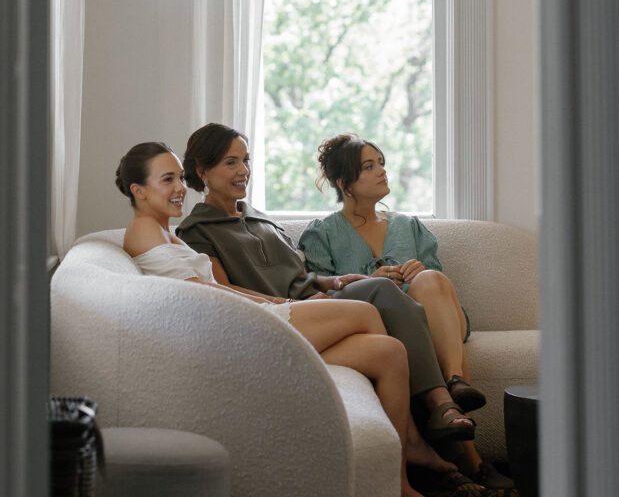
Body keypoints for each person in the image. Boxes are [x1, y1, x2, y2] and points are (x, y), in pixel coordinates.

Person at [176, 123, 497, 497]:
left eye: (245, 160)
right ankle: (440, 402)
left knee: (389, 344)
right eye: (230, 162)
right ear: (202, 170)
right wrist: (291, 303)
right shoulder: (196, 230)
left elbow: (302, 276)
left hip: (316, 303)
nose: (243, 170)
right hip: (288, 317)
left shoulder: (261, 220)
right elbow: (224, 294)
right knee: (381, 288)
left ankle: (411, 456)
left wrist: (332, 281)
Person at [115, 140, 437, 497]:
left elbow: (215, 289)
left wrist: (278, 301)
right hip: (240, 332)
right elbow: (201, 294)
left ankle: (398, 479)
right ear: (138, 190)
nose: (179, 188)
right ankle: (411, 445)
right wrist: (274, 307)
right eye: (167, 180)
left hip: (243, 317)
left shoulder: (165, 233)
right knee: (364, 310)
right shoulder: (144, 229)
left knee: (389, 353)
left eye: (179, 177)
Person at [299, 133, 516, 495]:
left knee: (431, 278)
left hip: (436, 319)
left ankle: (454, 384)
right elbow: (322, 297)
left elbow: (442, 289)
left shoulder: (408, 225)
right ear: (344, 182)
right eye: (369, 166)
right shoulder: (322, 233)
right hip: (382, 326)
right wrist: (371, 279)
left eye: (381, 163)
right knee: (418, 314)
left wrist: (419, 271)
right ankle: (471, 456)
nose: (382, 171)